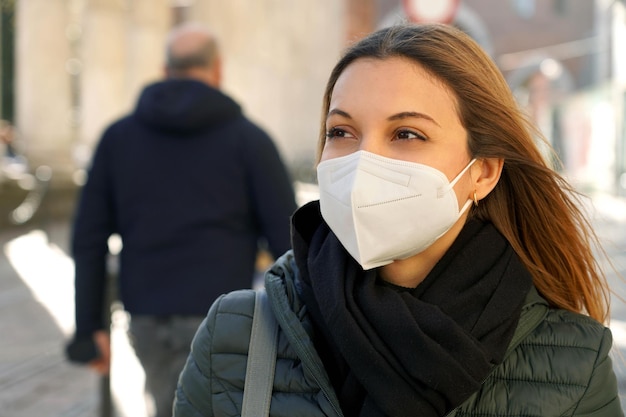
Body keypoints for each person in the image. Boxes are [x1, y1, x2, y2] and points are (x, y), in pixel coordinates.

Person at [173, 23, 623, 417]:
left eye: (407, 134)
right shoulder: (237, 334)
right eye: (341, 132)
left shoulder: (572, 363)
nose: (364, 161)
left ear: (483, 171)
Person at [66, 22, 297, 417]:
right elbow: (289, 241)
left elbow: (88, 238)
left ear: (165, 69)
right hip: (223, 315)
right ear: (218, 69)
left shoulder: (118, 138)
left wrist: (90, 327)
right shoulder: (249, 140)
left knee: (166, 405)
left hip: (145, 314)